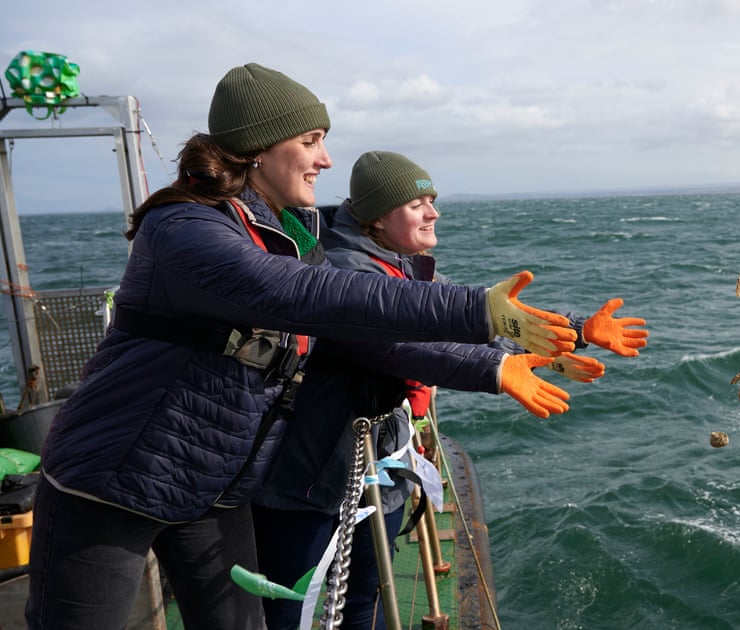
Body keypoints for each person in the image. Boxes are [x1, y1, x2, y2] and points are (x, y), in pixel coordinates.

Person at [23, 63, 582, 630]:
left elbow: (376, 333)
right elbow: (302, 292)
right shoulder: (185, 229)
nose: (326, 160)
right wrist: (478, 311)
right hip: (114, 476)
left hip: (216, 480)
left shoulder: (288, 236)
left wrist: (518, 352)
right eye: (311, 142)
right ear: (257, 149)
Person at [251, 150, 649, 629]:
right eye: (417, 203)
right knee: (287, 608)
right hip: (312, 474)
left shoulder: (404, 265)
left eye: (432, 200)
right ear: (378, 215)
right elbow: (396, 346)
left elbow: (477, 324)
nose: (433, 212)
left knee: (368, 598)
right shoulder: (342, 271)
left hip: (377, 465)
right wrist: (498, 370)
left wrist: (578, 330)